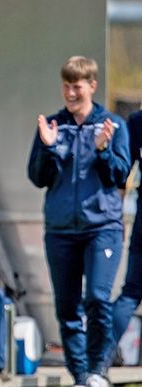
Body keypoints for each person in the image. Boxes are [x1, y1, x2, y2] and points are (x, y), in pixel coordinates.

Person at [28, 56, 130, 387]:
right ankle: (81, 375)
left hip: (102, 228)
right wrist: (47, 148)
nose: (71, 92)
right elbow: (37, 177)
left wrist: (103, 149)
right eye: (66, 85)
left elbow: (120, 175)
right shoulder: (54, 125)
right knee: (67, 308)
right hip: (60, 231)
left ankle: (99, 369)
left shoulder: (112, 125)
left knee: (98, 299)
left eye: (77, 86)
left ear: (92, 86)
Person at [110, 109, 142, 364]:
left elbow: (122, 175)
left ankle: (97, 362)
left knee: (131, 292)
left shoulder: (137, 120)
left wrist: (118, 217)